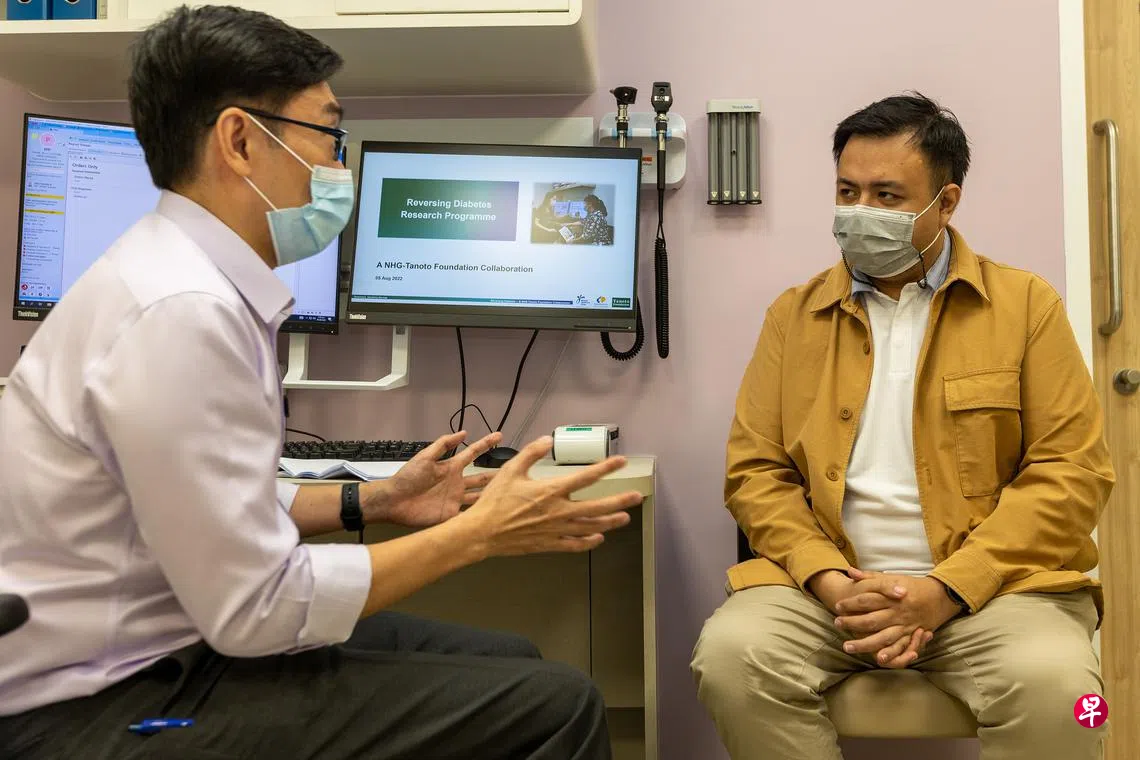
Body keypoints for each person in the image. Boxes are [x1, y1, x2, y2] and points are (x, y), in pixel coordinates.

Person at [0, 6, 641, 759]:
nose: (340, 166)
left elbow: (207, 505)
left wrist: (374, 500)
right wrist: (476, 536)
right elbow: (258, 610)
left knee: (514, 663)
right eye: (328, 136)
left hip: (159, 643)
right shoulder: (181, 312)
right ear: (240, 141)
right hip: (96, 705)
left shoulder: (175, 277)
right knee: (558, 706)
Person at [690, 93, 1113, 760]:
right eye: (847, 192)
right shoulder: (793, 317)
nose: (861, 211)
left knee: (1068, 696)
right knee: (730, 657)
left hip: (995, 593)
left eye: (887, 195)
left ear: (946, 203)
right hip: (827, 592)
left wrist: (944, 590)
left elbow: (1072, 473)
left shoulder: (1026, 307)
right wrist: (830, 580)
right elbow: (756, 475)